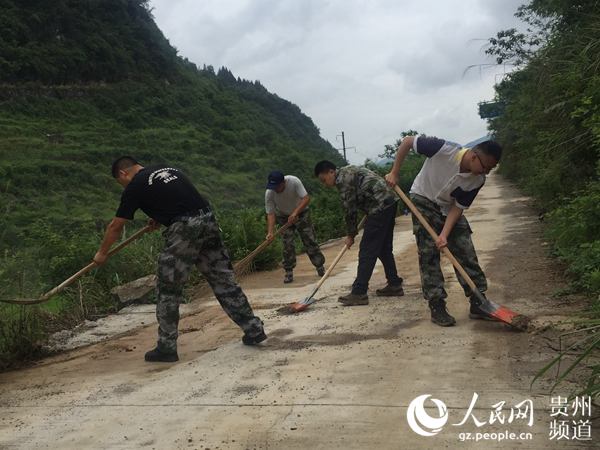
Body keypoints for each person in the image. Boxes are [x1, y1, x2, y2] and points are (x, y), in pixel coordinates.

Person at [94, 157, 266, 362]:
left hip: (185, 228)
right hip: (208, 219)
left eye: (120, 182)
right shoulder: (166, 169)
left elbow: (116, 225)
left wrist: (102, 253)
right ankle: (253, 328)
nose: (123, 185)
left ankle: (166, 347)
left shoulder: (135, 185)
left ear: (122, 174)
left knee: (168, 287)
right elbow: (178, 198)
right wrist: (161, 216)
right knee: (223, 280)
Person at [385, 135, 501, 326]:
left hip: (447, 208)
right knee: (429, 252)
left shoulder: (477, 180)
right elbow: (407, 141)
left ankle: (478, 301)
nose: (486, 173)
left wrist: (444, 234)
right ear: (473, 157)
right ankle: (436, 304)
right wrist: (394, 172)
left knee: (465, 249)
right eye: (485, 167)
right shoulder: (443, 149)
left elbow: (458, 207)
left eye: (490, 169)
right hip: (423, 199)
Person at [314, 161, 404, 305]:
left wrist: (351, 235)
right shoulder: (348, 170)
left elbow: (350, 210)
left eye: (324, 180)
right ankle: (394, 284)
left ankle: (359, 292)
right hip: (389, 202)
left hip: (379, 206)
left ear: (331, 172)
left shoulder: (343, 180)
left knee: (367, 251)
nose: (325, 184)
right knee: (383, 249)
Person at [265, 170, 325, 284]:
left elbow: (306, 198)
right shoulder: (269, 193)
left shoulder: (294, 181)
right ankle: (288, 272)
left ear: (284, 182)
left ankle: (320, 266)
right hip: (283, 216)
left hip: (301, 213)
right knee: (287, 244)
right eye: (273, 187)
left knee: (309, 239)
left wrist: (295, 213)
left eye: (277, 186)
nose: (275, 189)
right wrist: (270, 232)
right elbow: (271, 213)